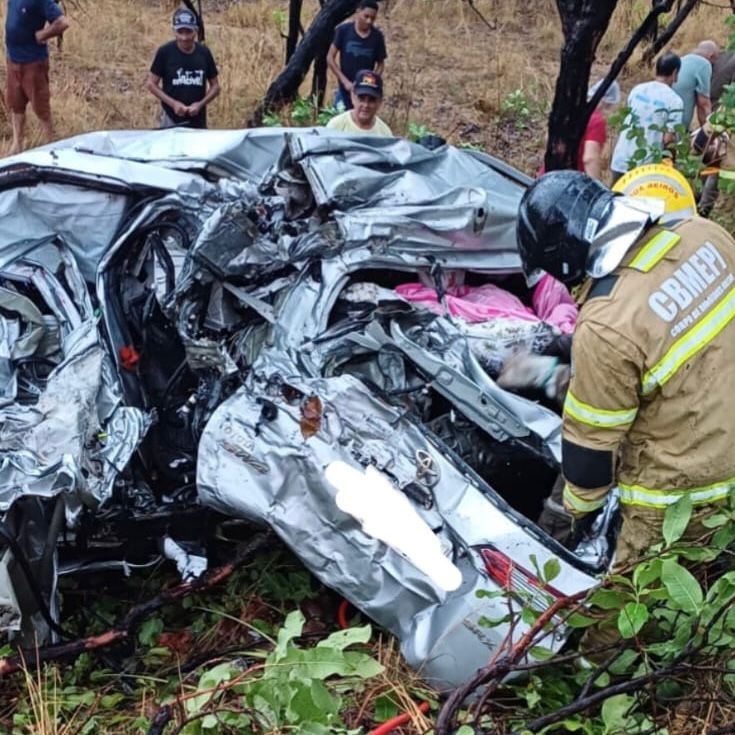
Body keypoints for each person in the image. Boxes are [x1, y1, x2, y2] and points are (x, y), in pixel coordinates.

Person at [507, 170, 735, 579]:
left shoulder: (606, 324)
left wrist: (564, 523)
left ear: (563, 256)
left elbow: (591, 453)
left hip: (681, 500)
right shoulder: (703, 234)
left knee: (619, 622)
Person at [4, 0, 69, 154]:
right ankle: (17, 144)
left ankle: (50, 147)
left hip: (33, 62)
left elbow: (62, 22)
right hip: (13, 59)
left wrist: (43, 34)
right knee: (16, 105)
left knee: (41, 107)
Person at [610, 53, 683, 184]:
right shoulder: (675, 101)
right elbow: (669, 139)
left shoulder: (638, 89)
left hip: (621, 159)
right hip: (646, 168)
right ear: (675, 73)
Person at [145, 7, 220, 129]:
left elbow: (215, 86)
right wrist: (173, 104)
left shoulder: (204, 53)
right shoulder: (165, 52)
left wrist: (200, 104)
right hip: (171, 117)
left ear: (195, 31)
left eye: (188, 32)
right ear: (174, 32)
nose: (184, 38)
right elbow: (151, 84)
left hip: (198, 119)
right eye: (180, 32)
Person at [327, 0, 386, 111]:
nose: (369, 21)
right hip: (344, 88)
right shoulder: (343, 31)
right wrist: (345, 81)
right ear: (358, 12)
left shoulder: (377, 37)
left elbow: (381, 64)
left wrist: (371, 80)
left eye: (372, 18)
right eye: (366, 16)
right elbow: (330, 57)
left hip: (364, 92)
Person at [326, 69, 392, 136]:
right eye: (361, 99)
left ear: (379, 102)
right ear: (353, 97)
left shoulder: (385, 134)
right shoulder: (335, 126)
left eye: (371, 100)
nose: (366, 105)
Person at [672, 40, 720, 130]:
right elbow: (703, 105)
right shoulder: (704, 64)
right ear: (711, 56)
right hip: (677, 127)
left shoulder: (682, 59)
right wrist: (707, 133)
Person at [579, 80, 621, 181]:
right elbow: (590, 158)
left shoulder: (571, 110)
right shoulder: (596, 120)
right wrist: (596, 187)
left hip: (546, 178)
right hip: (570, 182)